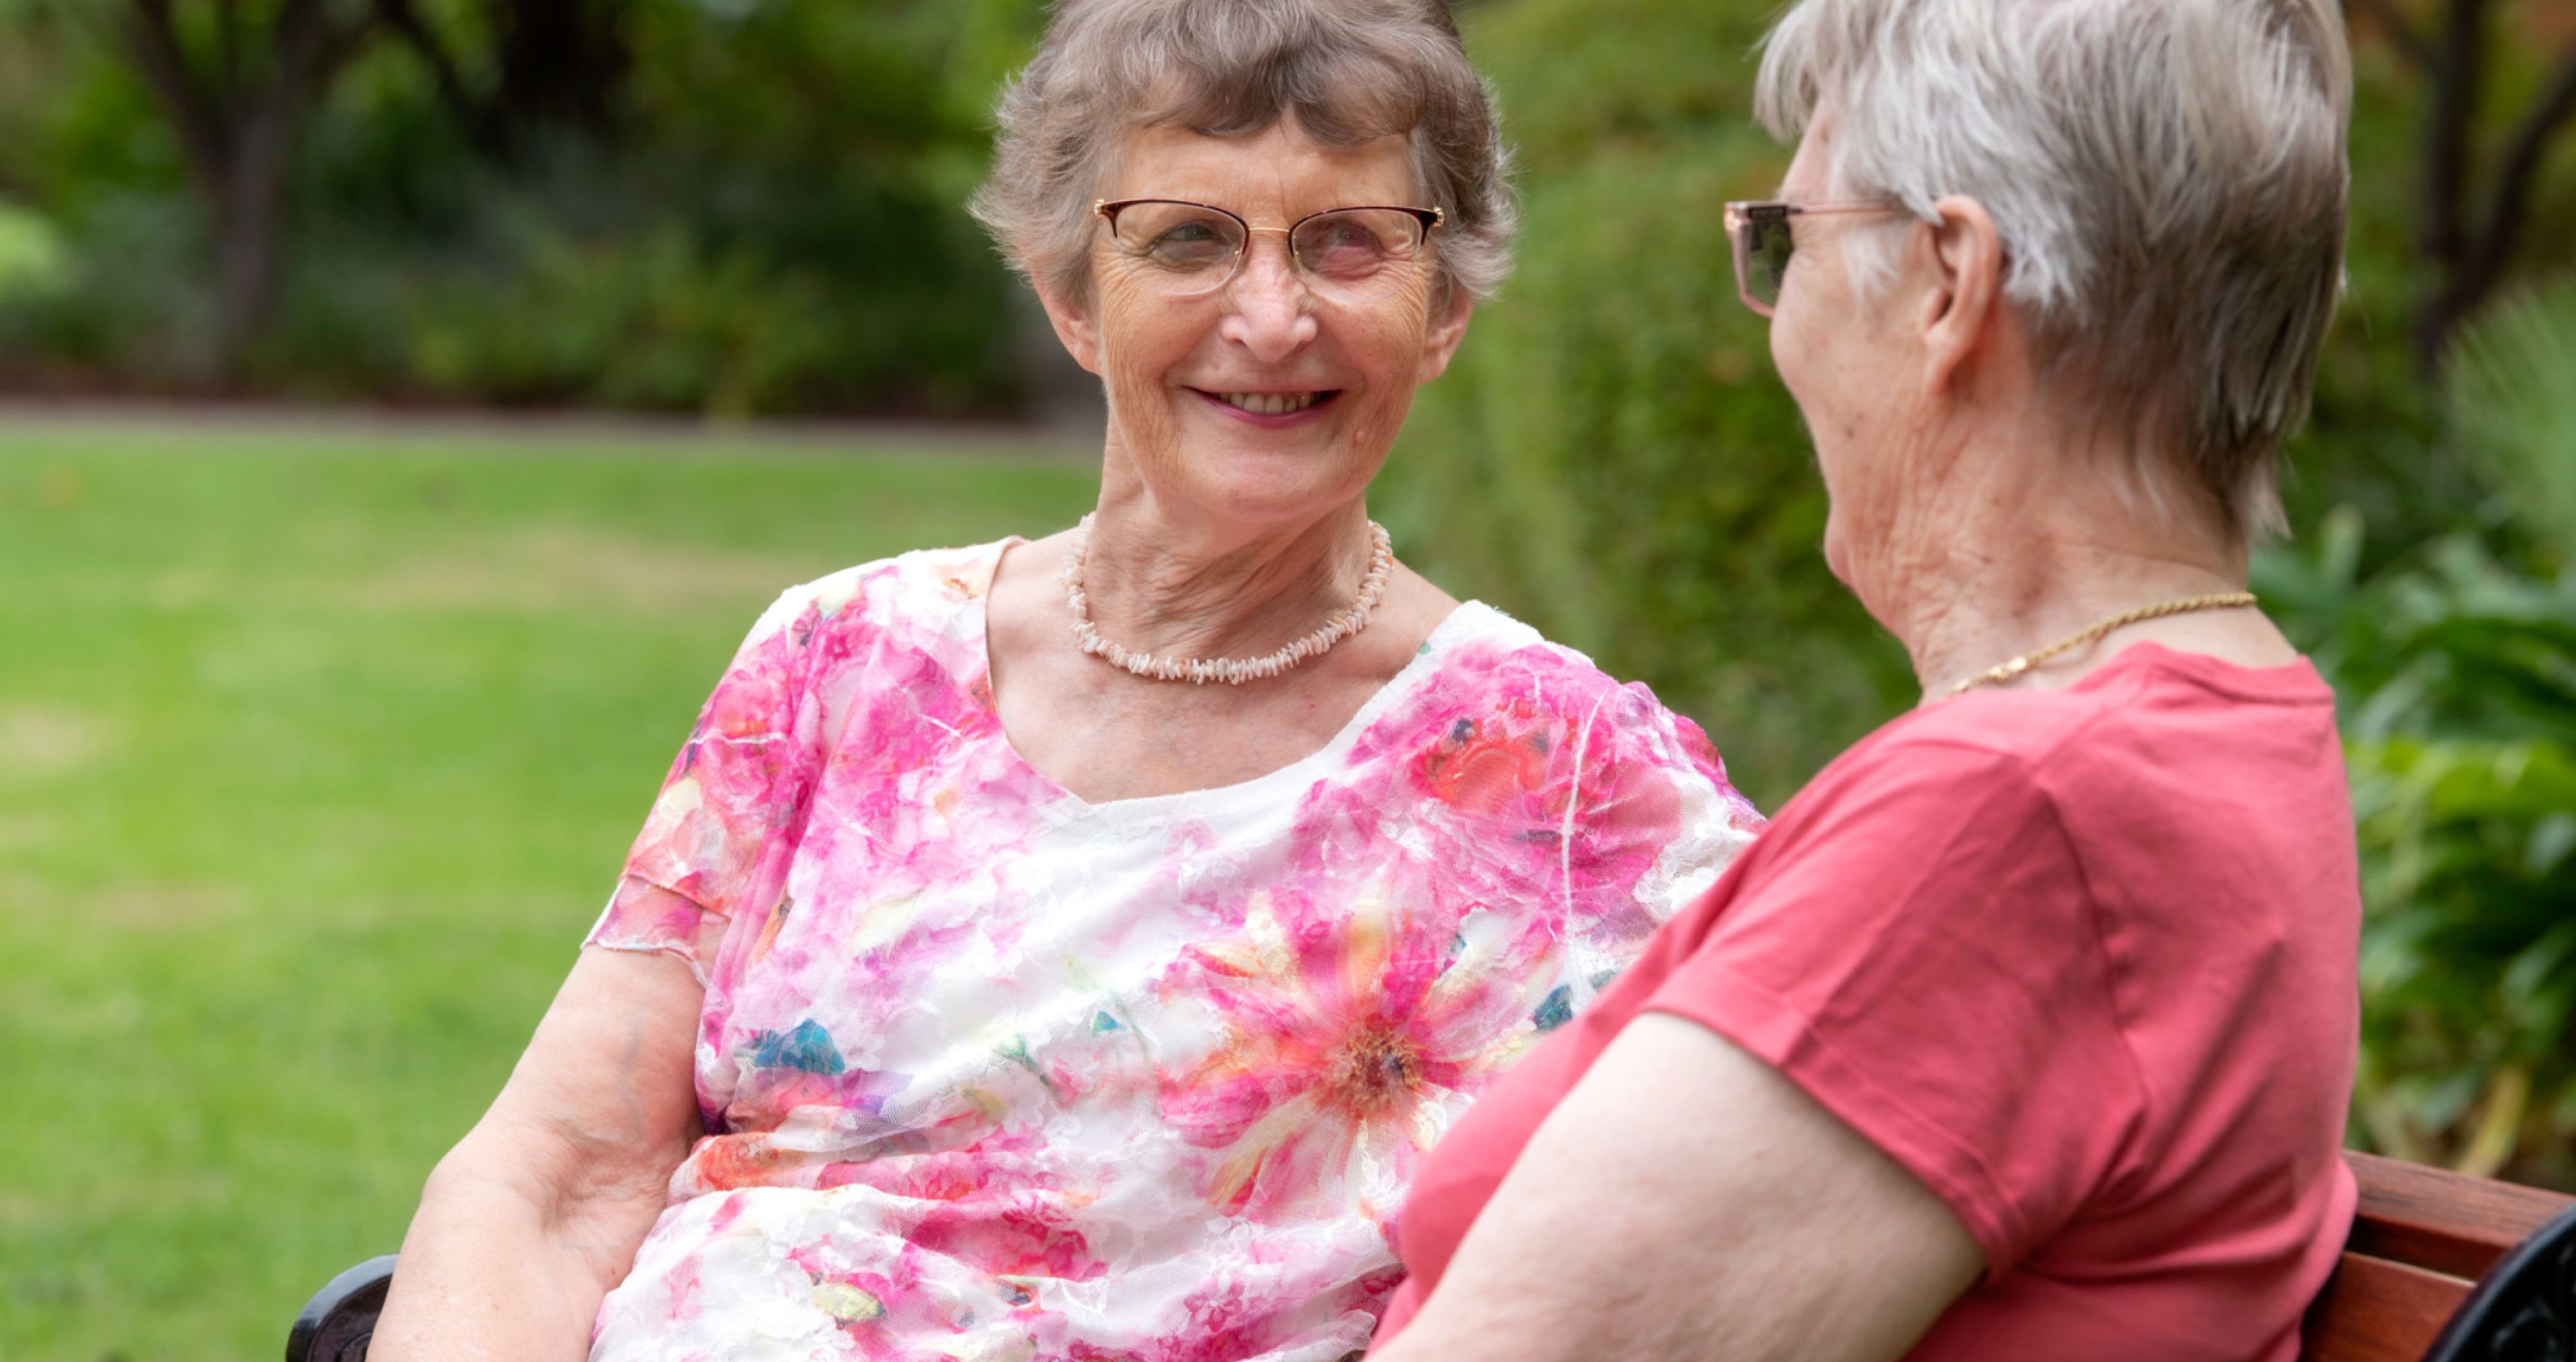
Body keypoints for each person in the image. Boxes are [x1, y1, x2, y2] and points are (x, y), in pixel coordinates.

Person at [366, 3, 1762, 1358]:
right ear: (1069, 296)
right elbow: (550, 1181)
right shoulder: (841, 660)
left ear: (1443, 306)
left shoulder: (1565, 775)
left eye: (1348, 242)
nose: (1271, 319)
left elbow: (1841, 1105)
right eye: (1189, 241)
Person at [1369, 1, 2361, 1360]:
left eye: (1787, 243)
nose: (1777, 322)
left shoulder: (2017, 812)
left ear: (1950, 282)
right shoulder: (2223, 719)